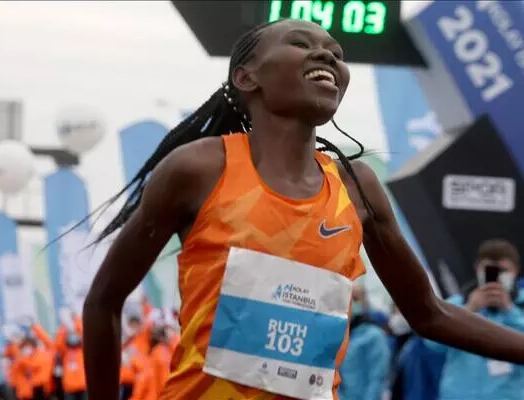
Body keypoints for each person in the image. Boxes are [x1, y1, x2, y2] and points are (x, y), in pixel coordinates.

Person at [82, 19, 524, 400]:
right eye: (300, 43)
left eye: (337, 53)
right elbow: (104, 302)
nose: (327, 55)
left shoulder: (357, 187)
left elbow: (428, 313)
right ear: (247, 77)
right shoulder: (199, 168)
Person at [425, 239, 524, 399]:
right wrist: (469, 309)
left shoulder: (520, 307)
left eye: (504, 271)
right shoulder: (455, 304)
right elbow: (432, 344)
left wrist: (510, 311)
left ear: (516, 271)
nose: (497, 276)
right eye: (489, 270)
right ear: (477, 268)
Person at [339, 285, 390, 400]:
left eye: (355, 299)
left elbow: (377, 378)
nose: (351, 303)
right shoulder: (345, 335)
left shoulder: (374, 336)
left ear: (364, 301)